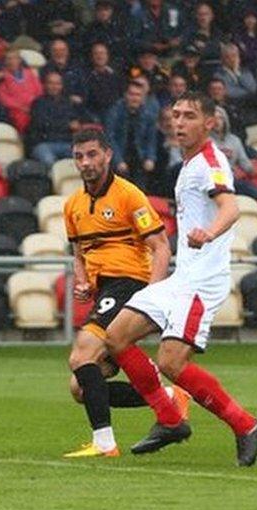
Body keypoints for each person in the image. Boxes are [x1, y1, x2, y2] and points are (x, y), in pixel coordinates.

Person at [103, 91, 257, 466]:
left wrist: (209, 233)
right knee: (115, 337)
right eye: (175, 114)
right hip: (181, 278)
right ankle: (170, 419)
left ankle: (246, 425)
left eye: (189, 116)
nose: (179, 122)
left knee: (172, 364)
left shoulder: (211, 162)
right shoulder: (188, 162)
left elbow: (232, 207)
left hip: (200, 282)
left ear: (210, 123)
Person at [60, 128, 183, 457]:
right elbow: (78, 254)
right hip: (105, 291)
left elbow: (160, 248)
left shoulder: (129, 195)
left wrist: (152, 296)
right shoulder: (72, 205)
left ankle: (104, 444)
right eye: (79, 156)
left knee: (80, 355)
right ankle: (169, 398)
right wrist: (83, 280)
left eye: (92, 154)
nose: (85, 162)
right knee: (81, 387)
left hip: (130, 284)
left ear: (107, 155)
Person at [105, 80, 158, 191]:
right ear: (125, 95)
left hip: (139, 156)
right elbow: (110, 138)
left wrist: (150, 158)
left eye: (138, 95)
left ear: (143, 97)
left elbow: (151, 139)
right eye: (131, 94)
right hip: (120, 155)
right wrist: (118, 160)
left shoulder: (148, 114)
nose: (134, 98)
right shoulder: (115, 112)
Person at [27, 72, 80, 165]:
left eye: (57, 84)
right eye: (51, 83)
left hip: (66, 143)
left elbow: (75, 122)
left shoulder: (67, 102)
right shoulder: (38, 103)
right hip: (44, 143)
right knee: (49, 161)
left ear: (61, 86)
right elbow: (42, 124)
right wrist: (67, 125)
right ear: (45, 85)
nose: (54, 86)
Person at [0, 49, 43, 133]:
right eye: (8, 59)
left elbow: (39, 90)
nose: (11, 61)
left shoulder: (29, 73)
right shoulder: (2, 77)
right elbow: (3, 97)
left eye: (14, 58)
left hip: (35, 107)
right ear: (4, 61)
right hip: (17, 110)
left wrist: (34, 106)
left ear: (20, 60)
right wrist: (22, 107)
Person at [84, 42, 126, 122]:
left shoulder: (116, 75)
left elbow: (122, 96)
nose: (99, 56)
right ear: (92, 57)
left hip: (116, 115)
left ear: (107, 56)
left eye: (102, 53)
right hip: (95, 117)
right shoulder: (86, 77)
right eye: (96, 53)